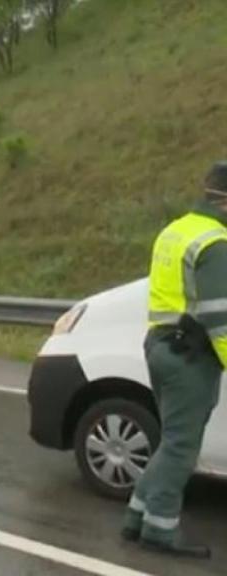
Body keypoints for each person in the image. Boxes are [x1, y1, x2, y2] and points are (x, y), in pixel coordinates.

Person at [122, 162, 227, 558]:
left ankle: (136, 517)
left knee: (170, 443)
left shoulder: (176, 230)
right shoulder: (216, 243)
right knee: (183, 447)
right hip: (190, 358)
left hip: (160, 346)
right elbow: (220, 317)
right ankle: (160, 530)